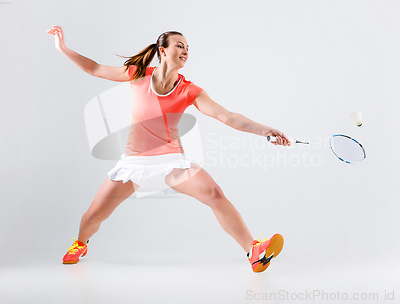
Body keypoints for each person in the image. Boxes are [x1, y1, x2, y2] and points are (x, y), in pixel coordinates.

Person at [46, 26, 290, 273]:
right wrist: (63, 48)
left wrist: (265, 130)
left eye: (187, 48)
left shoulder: (188, 90)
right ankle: (81, 243)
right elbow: (95, 69)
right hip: (134, 162)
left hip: (171, 160)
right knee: (92, 218)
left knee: (214, 193)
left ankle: (254, 251)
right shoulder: (138, 74)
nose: (185, 51)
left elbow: (226, 116)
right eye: (179, 46)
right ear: (162, 51)